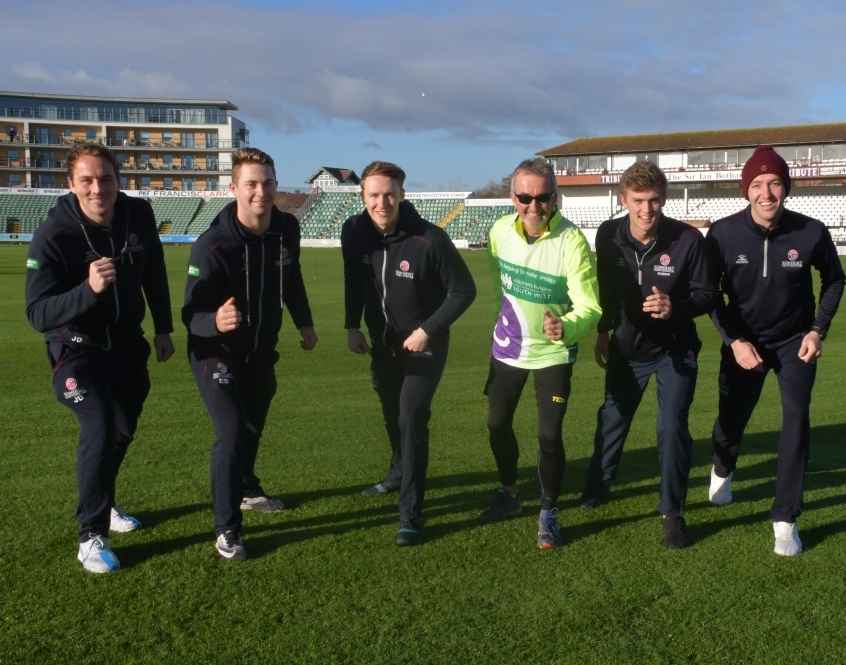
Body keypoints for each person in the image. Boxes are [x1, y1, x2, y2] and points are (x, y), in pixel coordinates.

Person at [25, 141, 175, 573]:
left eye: (105, 179)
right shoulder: (54, 235)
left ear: (118, 181)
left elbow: (154, 271)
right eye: (87, 180)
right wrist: (87, 290)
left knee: (122, 431)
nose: (98, 189)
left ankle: (103, 501)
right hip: (74, 350)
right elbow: (37, 314)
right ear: (72, 184)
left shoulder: (139, 215)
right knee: (100, 422)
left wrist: (163, 327)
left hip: (128, 346)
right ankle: (91, 534)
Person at [704, 145, 846, 556]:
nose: (767, 193)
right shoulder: (723, 233)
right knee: (730, 423)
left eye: (775, 184)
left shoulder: (811, 231)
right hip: (744, 342)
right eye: (758, 185)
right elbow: (708, 294)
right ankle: (723, 468)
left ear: (787, 187)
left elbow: (834, 280)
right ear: (746, 191)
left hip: (794, 342)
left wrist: (817, 330)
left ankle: (786, 518)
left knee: (796, 420)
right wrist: (735, 342)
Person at [182, 147, 317, 562]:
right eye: (252, 184)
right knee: (233, 428)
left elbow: (290, 278)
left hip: (261, 352)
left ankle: (245, 488)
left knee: (252, 427)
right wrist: (214, 321)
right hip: (215, 352)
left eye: (268, 183)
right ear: (234, 188)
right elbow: (190, 314)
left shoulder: (286, 229)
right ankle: (227, 530)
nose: (262, 192)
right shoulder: (213, 244)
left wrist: (304, 322)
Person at [577, 161, 716, 549]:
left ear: (663, 199)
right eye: (637, 201)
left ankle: (673, 513)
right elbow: (605, 287)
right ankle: (599, 485)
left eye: (654, 200)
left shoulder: (689, 240)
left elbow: (708, 295)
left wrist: (676, 307)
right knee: (612, 418)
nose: (646, 210)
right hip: (627, 345)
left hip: (675, 346)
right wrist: (603, 331)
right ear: (623, 200)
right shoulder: (607, 235)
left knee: (671, 426)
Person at [343, 161, 476, 546]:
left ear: (402, 195)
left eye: (389, 194)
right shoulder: (354, 232)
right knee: (391, 413)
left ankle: (411, 516)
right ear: (363, 196)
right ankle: (397, 474)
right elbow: (354, 280)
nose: (382, 202)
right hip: (382, 344)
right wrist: (352, 326)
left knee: (411, 416)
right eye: (374, 194)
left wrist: (426, 330)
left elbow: (464, 291)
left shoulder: (429, 239)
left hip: (425, 345)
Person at [479, 157, 601, 549]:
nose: (534, 206)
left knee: (549, 436)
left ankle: (548, 510)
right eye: (524, 197)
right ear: (512, 197)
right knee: (497, 425)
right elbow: (501, 284)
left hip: (553, 353)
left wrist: (566, 327)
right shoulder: (499, 231)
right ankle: (510, 494)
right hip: (507, 349)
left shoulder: (572, 241)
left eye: (543, 197)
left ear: (556, 198)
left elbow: (590, 306)